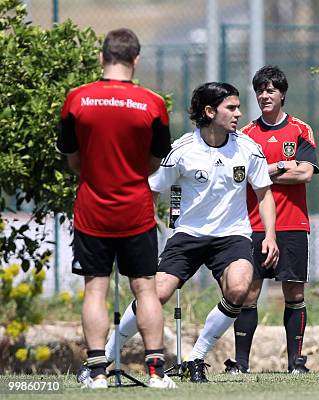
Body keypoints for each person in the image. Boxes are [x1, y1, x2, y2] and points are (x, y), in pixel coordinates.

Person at [92, 81, 279, 383]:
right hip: (188, 234)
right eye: (231, 107)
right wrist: (143, 231)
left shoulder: (247, 147)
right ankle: (106, 357)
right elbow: (150, 190)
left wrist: (270, 235)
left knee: (239, 288)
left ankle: (196, 358)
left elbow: (264, 193)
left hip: (233, 235)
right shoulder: (182, 150)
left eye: (238, 107)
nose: (239, 113)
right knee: (158, 293)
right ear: (209, 111)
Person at [56, 28, 175, 389]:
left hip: (92, 210)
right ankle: (155, 372)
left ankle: (96, 373)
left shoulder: (77, 99)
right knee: (145, 289)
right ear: (136, 60)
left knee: (95, 289)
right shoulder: (153, 104)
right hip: (136, 211)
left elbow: (71, 158)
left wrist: (92, 172)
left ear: (102, 57)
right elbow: (156, 161)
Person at [225, 66, 319, 374]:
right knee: (247, 292)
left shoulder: (300, 130)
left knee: (294, 292)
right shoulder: (246, 134)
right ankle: (240, 364)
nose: (265, 95)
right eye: (260, 91)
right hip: (252, 225)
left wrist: (264, 172)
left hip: (293, 223)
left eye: (271, 90)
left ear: (282, 94)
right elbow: (242, 176)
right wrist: (281, 166)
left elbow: (305, 172)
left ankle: (296, 363)